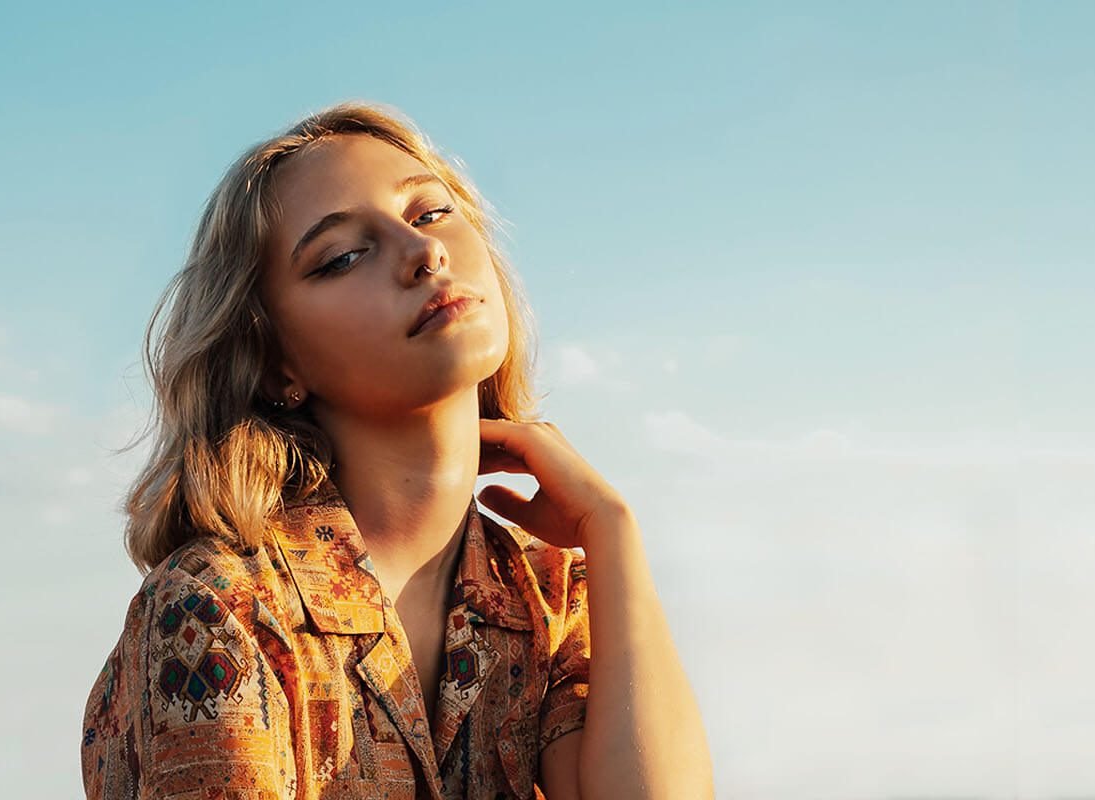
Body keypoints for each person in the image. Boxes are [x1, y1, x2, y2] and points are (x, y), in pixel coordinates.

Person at [81, 100, 713, 800]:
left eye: (430, 214)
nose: (424, 254)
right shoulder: (219, 608)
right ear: (274, 364)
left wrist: (613, 534)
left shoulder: (545, 595)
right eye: (345, 255)